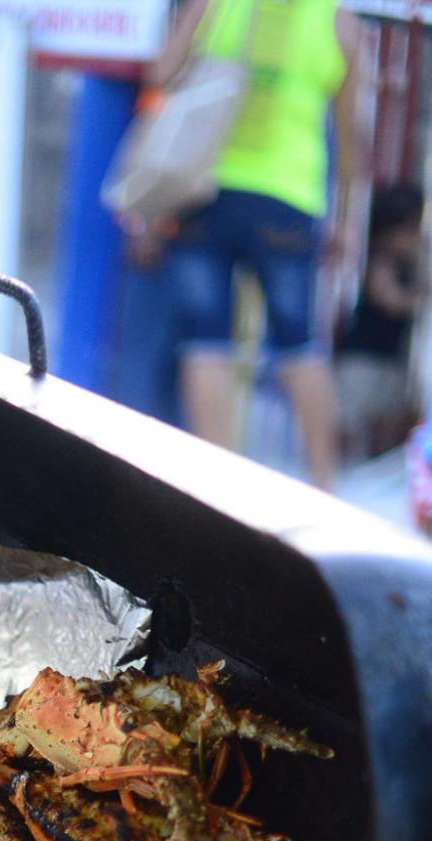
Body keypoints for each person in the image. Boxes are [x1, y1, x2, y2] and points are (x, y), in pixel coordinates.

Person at [144, 0, 364, 488]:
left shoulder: (218, 4)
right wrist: (345, 219)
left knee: (206, 341)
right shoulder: (337, 21)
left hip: (208, 189)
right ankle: (324, 487)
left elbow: (162, 72)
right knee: (298, 344)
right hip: (288, 198)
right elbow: (350, 140)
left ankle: (215, 489)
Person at [335, 182, 426, 462]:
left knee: (390, 419)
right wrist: (420, 299)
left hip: (388, 359)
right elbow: (391, 300)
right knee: (347, 422)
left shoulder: (408, 261)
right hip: (362, 359)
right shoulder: (379, 259)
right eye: (412, 231)